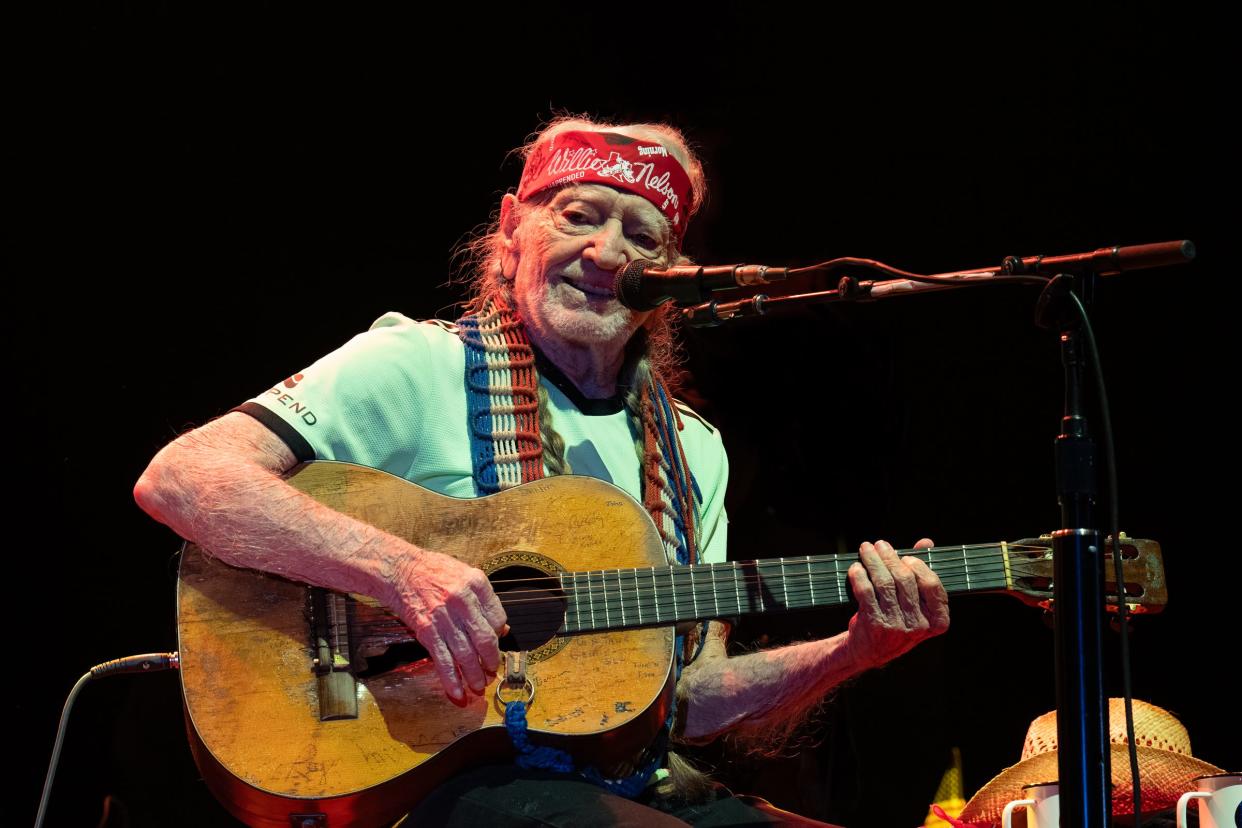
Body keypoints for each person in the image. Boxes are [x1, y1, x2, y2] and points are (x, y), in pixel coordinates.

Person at [134, 116, 951, 825]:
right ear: (510, 228)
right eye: (579, 215)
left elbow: (691, 697)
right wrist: (400, 569)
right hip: (434, 785)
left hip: (628, 791)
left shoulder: (692, 447)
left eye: (643, 238)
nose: (606, 252)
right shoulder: (418, 364)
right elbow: (185, 476)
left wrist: (854, 650)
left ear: (670, 273)